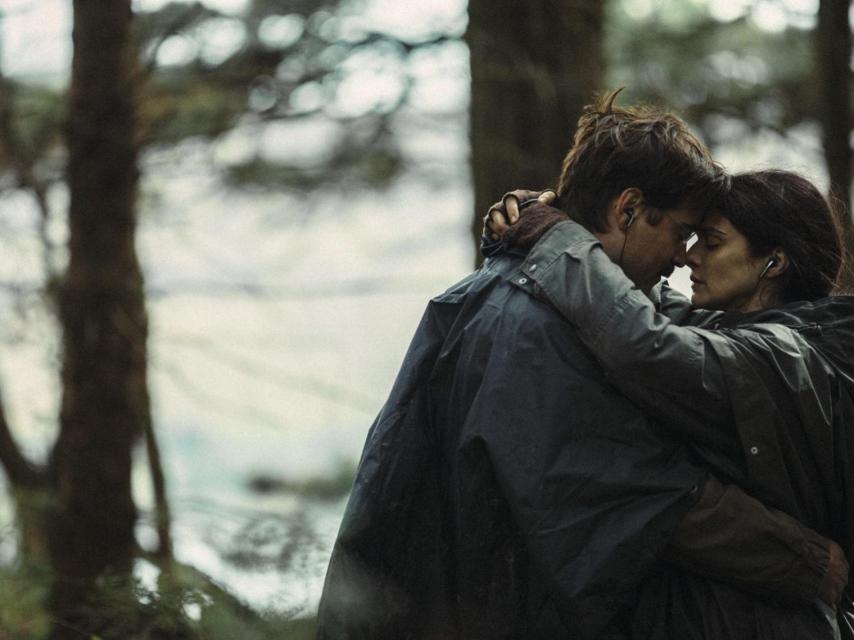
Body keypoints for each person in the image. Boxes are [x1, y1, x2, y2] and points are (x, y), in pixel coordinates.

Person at [317, 93, 847, 640]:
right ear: (628, 210)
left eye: (702, 240)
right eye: (681, 232)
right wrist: (807, 562)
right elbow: (634, 489)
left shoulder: (531, 299)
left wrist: (547, 235)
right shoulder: (537, 324)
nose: (680, 257)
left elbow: (653, 337)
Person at [485, 169, 854, 638]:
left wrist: (555, 237)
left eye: (713, 243)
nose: (690, 256)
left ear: (774, 263)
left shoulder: (785, 356)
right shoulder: (745, 337)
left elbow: (642, 342)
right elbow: (641, 305)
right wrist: (567, 227)